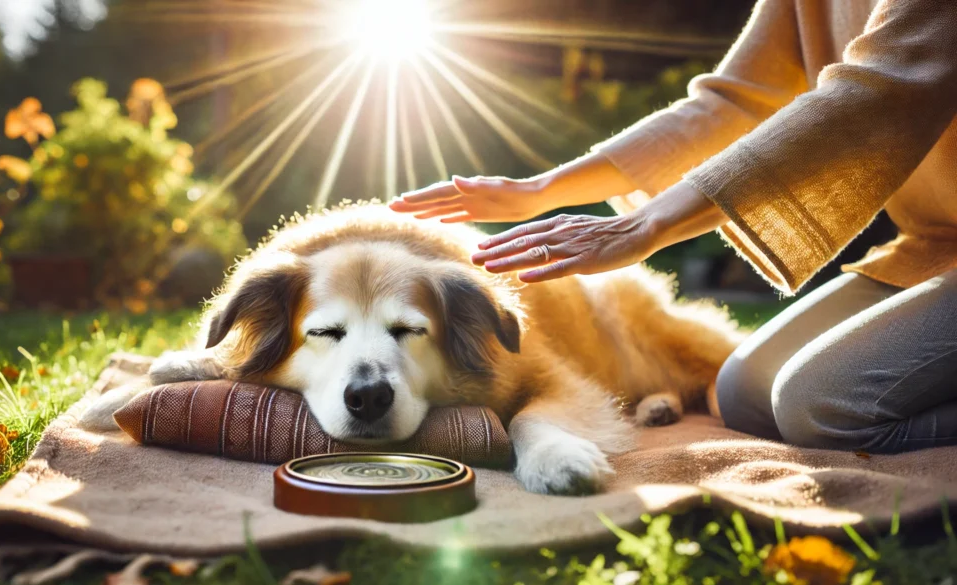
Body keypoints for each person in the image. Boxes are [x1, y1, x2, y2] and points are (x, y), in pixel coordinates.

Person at [390, 0, 957, 454]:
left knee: (821, 408)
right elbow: (731, 103)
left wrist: (647, 224)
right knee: (744, 393)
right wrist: (539, 191)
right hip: (934, 250)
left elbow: (877, 93)